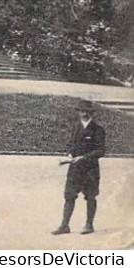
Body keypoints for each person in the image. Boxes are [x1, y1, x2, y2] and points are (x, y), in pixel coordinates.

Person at [52, 101, 106, 236]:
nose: (84, 113)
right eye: (82, 111)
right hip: (75, 169)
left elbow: (100, 151)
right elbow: (72, 145)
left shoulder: (98, 129)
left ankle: (89, 224)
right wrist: (70, 155)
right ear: (78, 112)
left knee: (91, 196)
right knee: (69, 196)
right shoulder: (76, 128)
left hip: (90, 170)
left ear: (92, 113)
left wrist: (83, 158)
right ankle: (64, 225)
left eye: (87, 111)